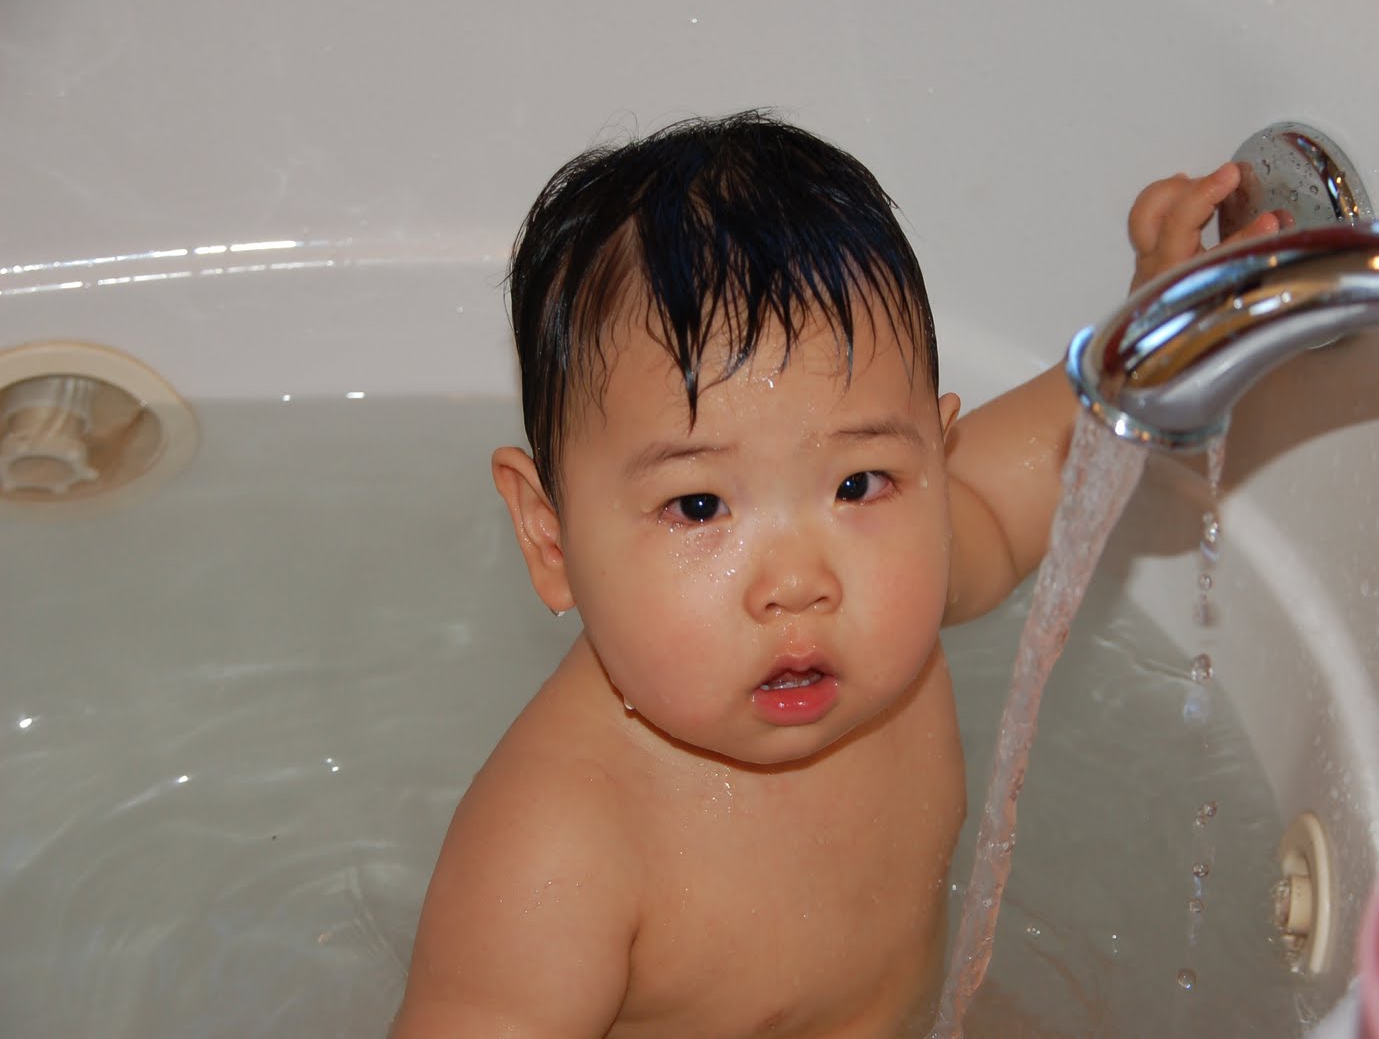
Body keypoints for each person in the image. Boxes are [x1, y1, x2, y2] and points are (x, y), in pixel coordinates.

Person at [389, 110, 1279, 1039]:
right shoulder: (557, 853)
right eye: (699, 506)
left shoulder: (908, 584)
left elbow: (1052, 468)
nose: (800, 581)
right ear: (551, 538)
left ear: (936, 464)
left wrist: (1161, 326)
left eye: (859, 484)